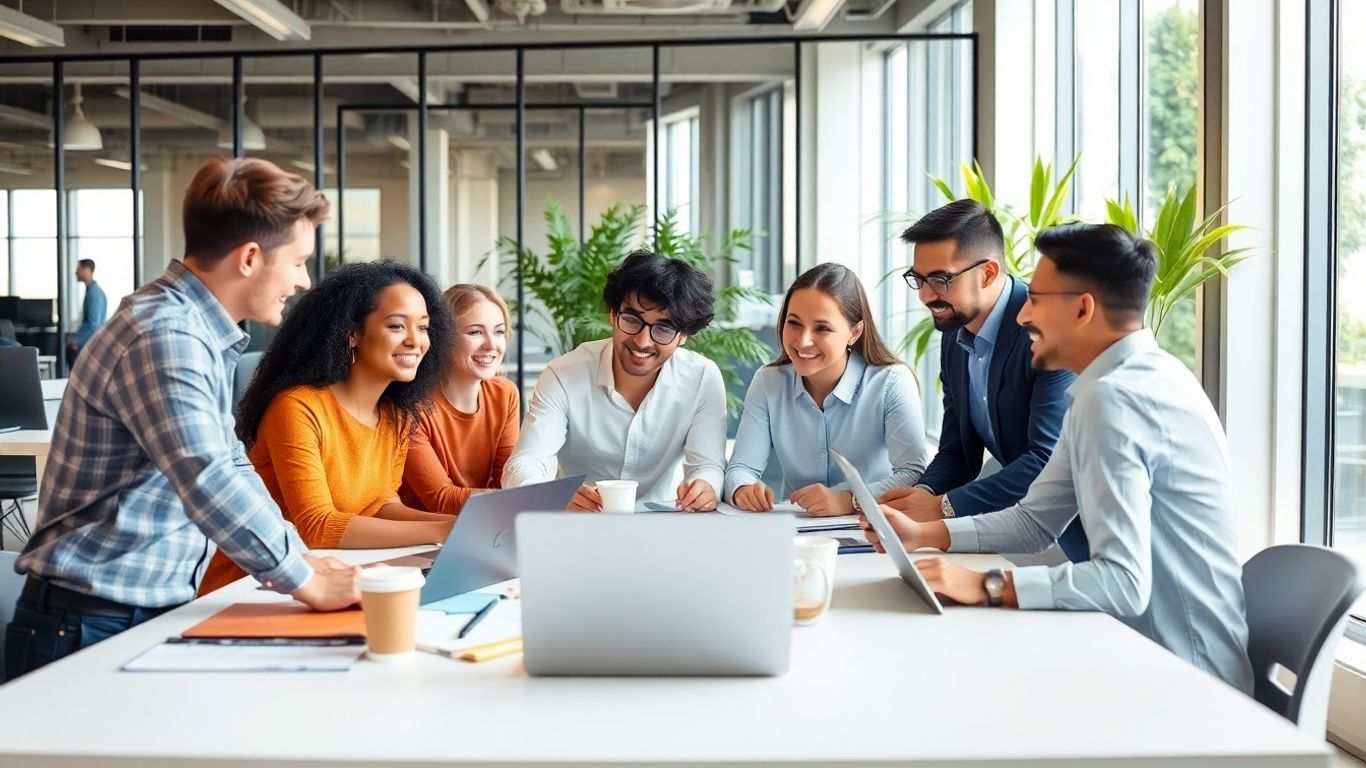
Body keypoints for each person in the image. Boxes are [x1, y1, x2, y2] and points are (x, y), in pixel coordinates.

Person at [5, 157, 359, 681]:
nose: (304, 281)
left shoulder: (197, 332)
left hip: (130, 611)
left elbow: (232, 464)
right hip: (86, 622)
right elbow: (208, 477)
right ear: (250, 257)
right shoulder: (166, 336)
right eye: (298, 261)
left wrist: (304, 560)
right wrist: (303, 580)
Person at [862, 223, 1253, 693]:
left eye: (1038, 298)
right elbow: (1034, 522)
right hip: (1138, 650)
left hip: (1179, 678)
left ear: (1083, 308)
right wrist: (927, 533)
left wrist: (989, 586)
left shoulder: (1116, 400)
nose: (1023, 313)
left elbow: (1123, 583)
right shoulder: (1123, 382)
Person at [198, 261, 457, 593]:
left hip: (331, 576)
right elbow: (316, 526)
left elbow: (379, 504)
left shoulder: (396, 415)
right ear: (352, 334)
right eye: (396, 326)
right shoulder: (297, 407)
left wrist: (459, 527)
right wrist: (440, 531)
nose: (415, 341)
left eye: (423, 328)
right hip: (252, 588)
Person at [882, 200, 1087, 562]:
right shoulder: (955, 330)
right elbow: (959, 450)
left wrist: (942, 507)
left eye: (941, 279)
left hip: (1092, 528)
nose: (926, 295)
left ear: (988, 273)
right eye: (919, 279)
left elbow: (1043, 459)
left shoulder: (1043, 329)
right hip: (1050, 534)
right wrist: (925, 494)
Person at [502, 250, 726, 512]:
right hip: (579, 524)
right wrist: (554, 496)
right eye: (632, 320)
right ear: (612, 315)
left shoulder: (702, 378)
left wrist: (706, 486)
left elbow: (707, 465)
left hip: (661, 526)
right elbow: (523, 465)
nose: (643, 341)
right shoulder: (564, 374)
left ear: (684, 336)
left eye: (663, 328)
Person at [725, 263, 929, 516]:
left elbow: (913, 472)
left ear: (854, 332)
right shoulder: (769, 383)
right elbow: (741, 467)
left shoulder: (891, 382)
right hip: (799, 532)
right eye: (794, 323)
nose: (803, 340)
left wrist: (848, 500)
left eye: (822, 328)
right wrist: (743, 488)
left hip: (871, 527)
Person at [399, 284, 520, 517]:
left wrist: (521, 493)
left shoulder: (504, 395)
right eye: (475, 332)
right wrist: (525, 497)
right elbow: (441, 499)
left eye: (499, 332)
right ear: (444, 338)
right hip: (423, 539)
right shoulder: (411, 407)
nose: (491, 345)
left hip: (483, 524)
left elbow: (508, 479)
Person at [66, 258, 107, 367]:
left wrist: (77, 341)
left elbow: (93, 323)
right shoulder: (92, 291)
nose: (76, 272)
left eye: (78, 269)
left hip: (89, 346)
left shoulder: (94, 294)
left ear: (87, 270)